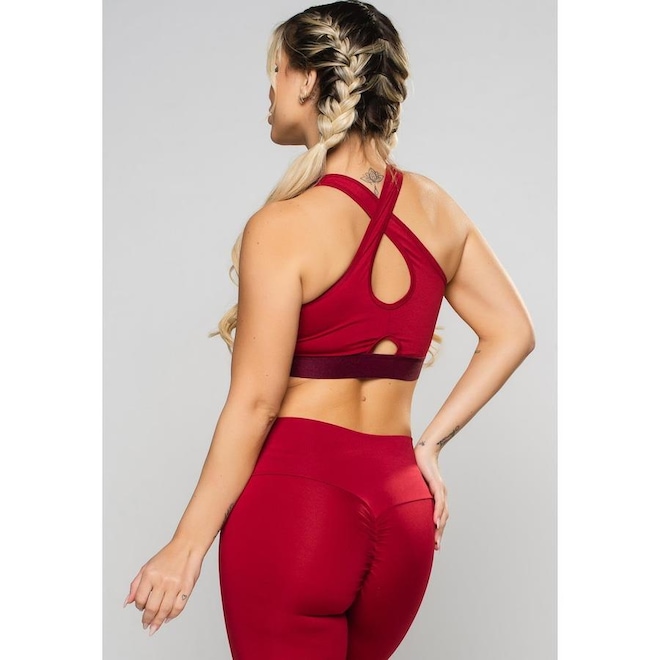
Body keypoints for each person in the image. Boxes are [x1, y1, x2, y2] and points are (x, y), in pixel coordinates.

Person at [123, 1, 535, 657]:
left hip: (302, 506)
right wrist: (429, 447)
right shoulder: (436, 208)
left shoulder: (283, 227)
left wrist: (186, 545)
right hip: (403, 511)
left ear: (310, 81)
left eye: (278, 70)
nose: (270, 88)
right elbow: (513, 331)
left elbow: (256, 403)